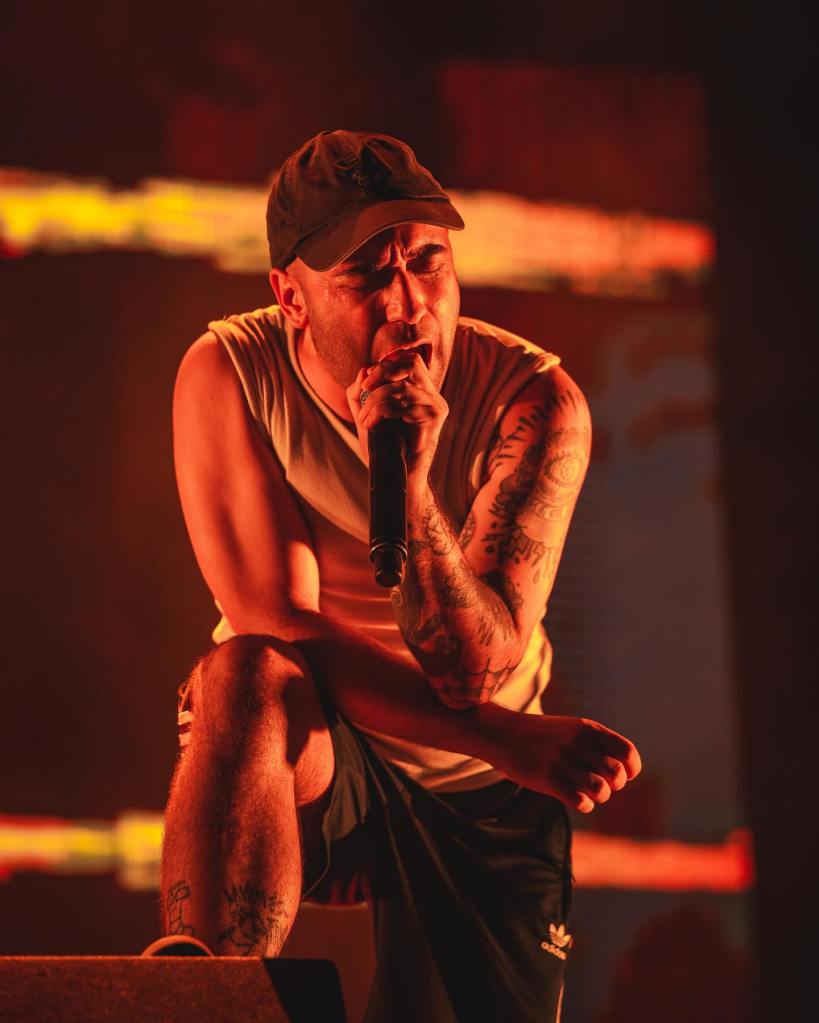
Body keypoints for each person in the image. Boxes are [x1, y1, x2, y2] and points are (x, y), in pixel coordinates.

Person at [160, 129, 641, 1022]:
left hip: (480, 782)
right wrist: (511, 737)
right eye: (366, 276)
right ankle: (200, 998)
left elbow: (472, 670)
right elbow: (278, 619)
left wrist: (411, 487)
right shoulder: (231, 372)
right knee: (246, 671)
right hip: (325, 751)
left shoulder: (533, 401)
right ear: (289, 295)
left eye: (427, 262)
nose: (409, 304)